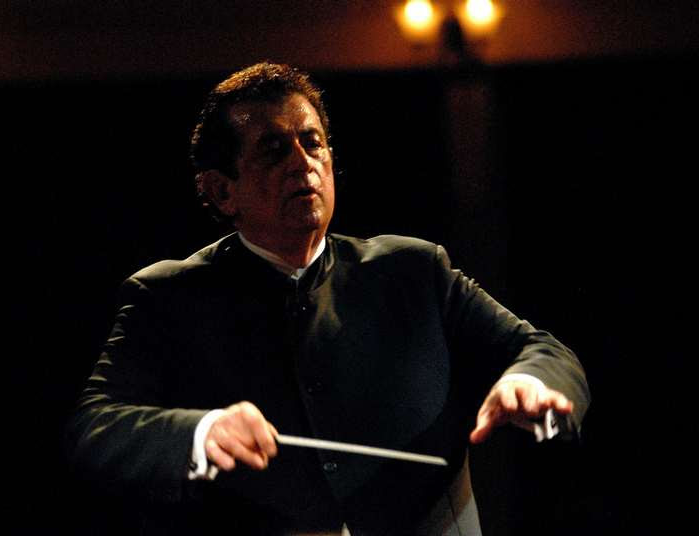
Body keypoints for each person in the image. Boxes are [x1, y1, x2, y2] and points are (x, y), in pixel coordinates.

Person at [66, 62, 590, 536]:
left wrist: (530, 381)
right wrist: (202, 431)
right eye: (274, 150)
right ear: (222, 191)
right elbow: (95, 427)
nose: (303, 163)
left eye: (312, 143)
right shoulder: (166, 298)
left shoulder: (413, 269)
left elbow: (540, 349)